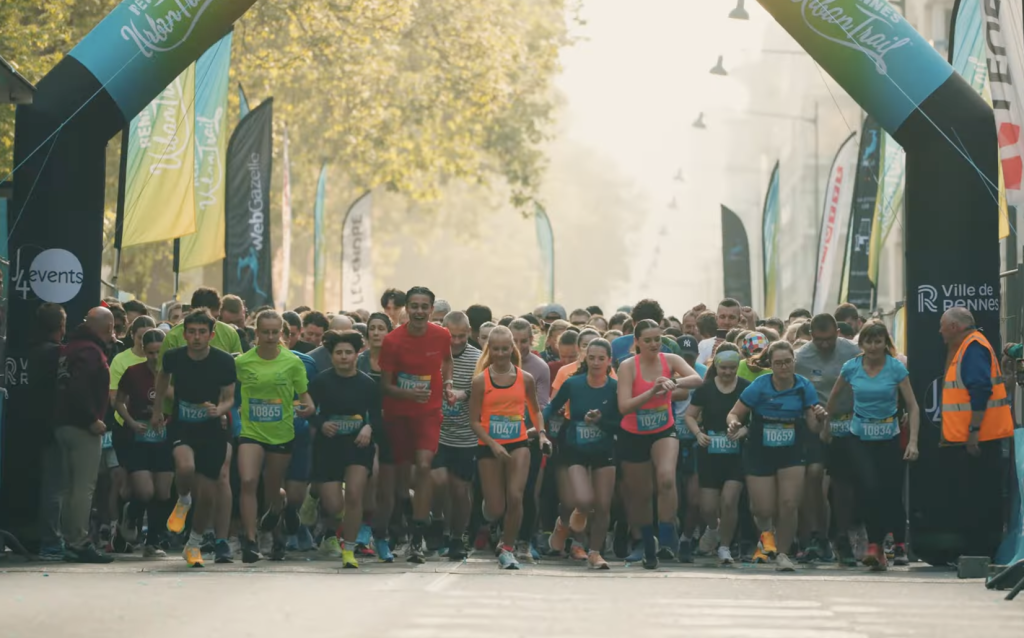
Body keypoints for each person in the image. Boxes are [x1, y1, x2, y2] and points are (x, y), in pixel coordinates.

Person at [825, 320, 919, 571]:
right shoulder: (852, 367)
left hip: (888, 436)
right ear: (862, 343)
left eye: (878, 341)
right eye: (869, 341)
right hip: (859, 437)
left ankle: (888, 544)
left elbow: (913, 405)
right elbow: (832, 401)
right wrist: (826, 427)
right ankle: (875, 546)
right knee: (868, 487)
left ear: (885, 343)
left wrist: (913, 442)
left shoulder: (895, 368)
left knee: (888, 491)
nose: (874, 346)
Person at [727, 340, 822, 572]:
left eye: (788, 362)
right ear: (770, 364)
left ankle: (783, 554)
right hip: (760, 449)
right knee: (763, 509)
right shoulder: (760, 385)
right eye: (778, 363)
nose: (784, 367)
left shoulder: (803, 386)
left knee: (789, 503)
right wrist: (734, 424)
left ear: (794, 362)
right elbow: (734, 412)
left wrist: (820, 418)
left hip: (792, 448)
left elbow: (813, 428)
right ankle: (766, 534)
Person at [152, 309, 238, 567]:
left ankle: (194, 544)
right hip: (182, 425)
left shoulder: (224, 361)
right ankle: (183, 499)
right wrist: (157, 411)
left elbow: (230, 397)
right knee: (185, 466)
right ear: (184, 334)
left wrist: (219, 410)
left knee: (209, 496)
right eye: (192, 332)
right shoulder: (173, 357)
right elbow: (161, 380)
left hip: (212, 430)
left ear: (211, 335)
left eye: (202, 332)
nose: (197, 337)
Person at [617, 319, 703, 568]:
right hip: (633, 434)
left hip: (663, 430)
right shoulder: (627, 366)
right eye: (648, 340)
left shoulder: (670, 360)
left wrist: (673, 383)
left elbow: (696, 380)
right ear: (637, 342)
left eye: (658, 339)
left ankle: (667, 539)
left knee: (666, 478)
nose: (654, 344)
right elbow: (624, 406)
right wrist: (652, 392)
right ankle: (646, 544)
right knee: (641, 494)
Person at [379, 286, 454, 563]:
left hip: (428, 413)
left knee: (424, 466)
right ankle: (403, 526)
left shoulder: (442, 335)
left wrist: (446, 383)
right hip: (398, 415)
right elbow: (385, 385)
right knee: (402, 482)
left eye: (425, 306)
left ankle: (417, 537)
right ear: (406, 309)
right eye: (414, 306)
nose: (420, 311)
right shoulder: (393, 340)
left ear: (432, 310)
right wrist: (409, 393)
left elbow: (447, 361)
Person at [234, 310, 315, 563]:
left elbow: (306, 399)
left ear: (281, 333)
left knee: (272, 489)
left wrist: (308, 409)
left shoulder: (293, 362)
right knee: (248, 481)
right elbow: (231, 396)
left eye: (274, 332)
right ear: (256, 332)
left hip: (281, 434)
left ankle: (277, 523)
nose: (269, 337)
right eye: (264, 332)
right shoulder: (242, 362)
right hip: (251, 432)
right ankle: (249, 540)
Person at [468, 326, 549, 570]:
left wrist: (542, 434)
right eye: (496, 349)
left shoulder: (525, 378)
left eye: (505, 348)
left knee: (516, 496)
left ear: (511, 348)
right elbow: (473, 420)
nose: (501, 353)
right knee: (496, 507)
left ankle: (507, 546)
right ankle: (490, 514)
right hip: (489, 446)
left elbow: (535, 410)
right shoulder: (481, 380)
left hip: (518, 443)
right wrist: (492, 444)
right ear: (489, 350)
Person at [938, 307, 1013, 559]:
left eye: (943, 326)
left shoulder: (972, 348)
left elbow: (980, 390)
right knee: (978, 497)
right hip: (980, 438)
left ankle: (978, 554)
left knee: (976, 499)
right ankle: (979, 552)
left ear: (954, 327)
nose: (940, 331)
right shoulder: (973, 345)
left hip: (978, 441)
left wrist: (973, 433)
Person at [543, 338, 618, 569]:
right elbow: (550, 408)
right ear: (585, 358)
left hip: (604, 450)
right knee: (584, 501)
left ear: (609, 361)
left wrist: (601, 421)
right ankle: (562, 525)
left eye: (601, 358)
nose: (596, 362)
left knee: (603, 505)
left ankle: (595, 552)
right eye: (592, 357)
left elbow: (621, 423)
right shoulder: (573, 383)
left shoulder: (616, 387)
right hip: (574, 448)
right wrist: (539, 430)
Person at [307, 330, 380, 568]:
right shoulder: (320, 382)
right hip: (328, 448)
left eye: (348, 352)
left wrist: (368, 428)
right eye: (339, 352)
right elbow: (307, 411)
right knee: (335, 506)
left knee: (355, 496)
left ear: (357, 354)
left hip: (358, 447)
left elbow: (378, 418)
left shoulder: (368, 384)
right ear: (331, 355)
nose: (344, 357)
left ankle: (349, 550)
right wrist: (321, 423)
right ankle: (325, 509)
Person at [795, 313, 861, 565]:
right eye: (819, 340)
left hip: (847, 423)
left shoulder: (852, 351)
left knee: (843, 482)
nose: (825, 344)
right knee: (813, 475)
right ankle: (817, 535)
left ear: (837, 332)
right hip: (815, 423)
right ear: (811, 336)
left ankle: (842, 536)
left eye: (829, 339)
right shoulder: (801, 357)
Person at [53, 307, 116, 563]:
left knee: (69, 488)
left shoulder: (70, 348)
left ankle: (69, 540)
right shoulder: (91, 352)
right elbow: (79, 389)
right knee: (83, 488)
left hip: (61, 425)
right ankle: (79, 542)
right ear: (109, 327)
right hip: (82, 427)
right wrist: (92, 419)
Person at [685, 344, 749, 565]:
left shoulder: (745, 388)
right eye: (724, 368)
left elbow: (756, 419)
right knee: (708, 507)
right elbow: (690, 415)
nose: (728, 372)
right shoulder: (706, 389)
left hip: (736, 454)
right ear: (717, 367)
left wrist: (744, 431)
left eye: (733, 368)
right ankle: (713, 528)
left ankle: (724, 547)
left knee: (729, 501)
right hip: (710, 451)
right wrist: (697, 433)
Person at [113, 328, 174, 557]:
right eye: (151, 353)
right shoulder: (132, 372)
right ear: (144, 352)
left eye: (160, 352)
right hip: (139, 438)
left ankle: (152, 542)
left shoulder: (173, 374)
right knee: (145, 491)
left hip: (164, 439)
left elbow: (181, 401)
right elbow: (118, 402)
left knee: (163, 493)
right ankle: (131, 514)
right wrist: (130, 422)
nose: (155, 358)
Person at [431, 311, 482, 560]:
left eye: (463, 336)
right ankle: (437, 521)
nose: (458, 341)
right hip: (436, 431)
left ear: (469, 332)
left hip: (465, 434)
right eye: (453, 336)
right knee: (438, 481)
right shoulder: (433, 353)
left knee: (460, 489)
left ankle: (457, 537)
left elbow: (482, 391)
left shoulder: (478, 358)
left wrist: (463, 395)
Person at [107, 315, 156, 548]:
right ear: (133, 336)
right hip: (127, 428)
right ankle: (120, 528)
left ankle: (148, 534)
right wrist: (131, 421)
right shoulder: (122, 360)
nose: (143, 342)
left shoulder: (163, 364)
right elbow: (115, 397)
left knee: (156, 485)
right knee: (127, 486)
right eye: (140, 338)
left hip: (157, 431)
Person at [354, 312, 398, 561]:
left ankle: (381, 536)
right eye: (372, 328)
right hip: (363, 427)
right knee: (372, 475)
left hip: (392, 426)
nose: (377, 332)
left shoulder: (397, 361)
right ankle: (365, 528)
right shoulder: (358, 361)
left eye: (382, 328)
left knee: (388, 487)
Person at [610, 299, 682, 367]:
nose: (653, 344)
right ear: (633, 323)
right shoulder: (617, 346)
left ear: (659, 324)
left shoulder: (671, 347)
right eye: (641, 327)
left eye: (651, 328)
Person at [697, 298, 742, 365]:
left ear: (739, 320)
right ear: (716, 318)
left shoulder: (744, 344)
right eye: (722, 317)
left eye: (731, 317)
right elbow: (699, 371)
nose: (726, 322)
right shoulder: (704, 345)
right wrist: (712, 357)